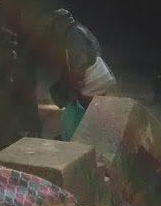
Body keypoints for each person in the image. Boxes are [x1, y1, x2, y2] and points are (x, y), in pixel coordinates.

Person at [46, 9, 114, 138]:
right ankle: (88, 137)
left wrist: (75, 87)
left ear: (59, 24)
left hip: (92, 81)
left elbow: (79, 62)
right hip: (100, 78)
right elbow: (96, 51)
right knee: (92, 112)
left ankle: (79, 138)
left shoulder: (74, 34)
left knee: (82, 110)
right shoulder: (81, 29)